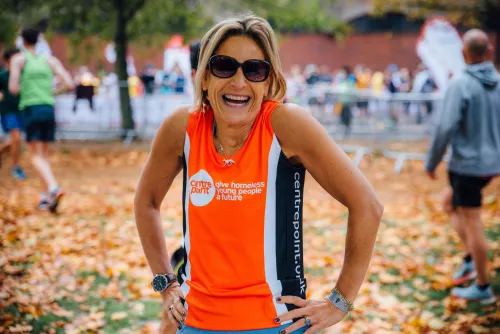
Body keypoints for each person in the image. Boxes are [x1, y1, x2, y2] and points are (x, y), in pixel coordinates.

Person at [134, 15, 383, 334]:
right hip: (193, 323)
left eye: (254, 69)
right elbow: (146, 202)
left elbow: (368, 205)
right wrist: (166, 283)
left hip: (274, 325)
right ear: (204, 78)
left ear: (269, 81)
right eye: (224, 66)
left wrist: (340, 301)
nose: (239, 82)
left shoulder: (287, 125)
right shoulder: (181, 128)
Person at [425, 28, 499, 305]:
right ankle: (470, 259)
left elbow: (445, 127)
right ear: (489, 51)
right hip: (488, 165)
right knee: (449, 204)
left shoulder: (461, 84)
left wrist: (431, 162)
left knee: (473, 219)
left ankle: (482, 286)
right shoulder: (498, 82)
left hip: (468, 166)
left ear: (463, 52)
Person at [9, 27, 74, 212]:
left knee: (34, 156)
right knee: (43, 156)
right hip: (48, 108)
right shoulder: (49, 60)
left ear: (22, 41)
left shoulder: (19, 59)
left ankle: (53, 188)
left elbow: (13, 88)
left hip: (30, 108)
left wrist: (28, 89)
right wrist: (51, 91)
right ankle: (46, 198)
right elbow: (69, 83)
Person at [0, 48, 27, 180]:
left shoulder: (23, 75)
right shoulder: (2, 75)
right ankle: (16, 167)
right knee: (16, 138)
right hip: (7, 111)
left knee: (17, 141)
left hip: (21, 110)